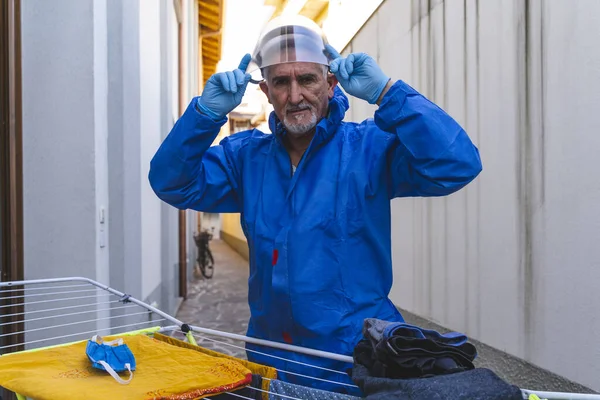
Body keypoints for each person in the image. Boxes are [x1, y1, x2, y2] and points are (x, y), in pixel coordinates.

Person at [149, 16, 482, 395]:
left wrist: (388, 93)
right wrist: (204, 116)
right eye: (281, 82)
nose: (295, 96)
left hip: (352, 364)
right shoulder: (245, 159)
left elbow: (457, 164)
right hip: (270, 360)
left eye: (307, 79)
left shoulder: (369, 149)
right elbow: (171, 183)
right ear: (266, 90)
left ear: (330, 82)